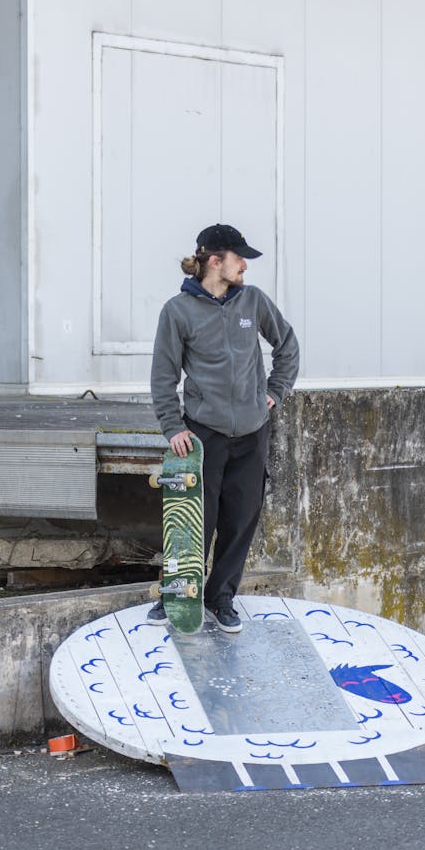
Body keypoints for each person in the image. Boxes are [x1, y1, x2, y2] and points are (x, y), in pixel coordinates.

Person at [149, 223, 300, 633]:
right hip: (203, 434)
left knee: (241, 519)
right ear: (215, 260)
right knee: (196, 520)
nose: (245, 268)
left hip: (252, 433)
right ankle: (178, 594)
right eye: (239, 259)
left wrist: (274, 392)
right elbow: (163, 375)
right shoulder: (177, 311)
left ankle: (222, 598)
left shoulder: (253, 302)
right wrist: (172, 427)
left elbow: (287, 346)